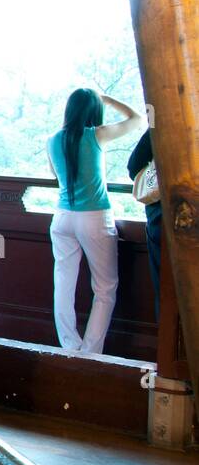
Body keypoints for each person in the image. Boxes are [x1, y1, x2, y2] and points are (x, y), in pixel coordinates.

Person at [46, 89, 145, 355]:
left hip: (63, 217)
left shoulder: (53, 140)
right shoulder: (96, 135)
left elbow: (56, 174)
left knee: (63, 283)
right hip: (95, 218)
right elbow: (137, 119)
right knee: (104, 288)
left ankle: (69, 346)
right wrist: (109, 99)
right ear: (93, 111)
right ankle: (90, 353)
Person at [127, 129, 163, 318]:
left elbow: (134, 166)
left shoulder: (166, 120)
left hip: (162, 215)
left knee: (165, 290)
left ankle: (170, 344)